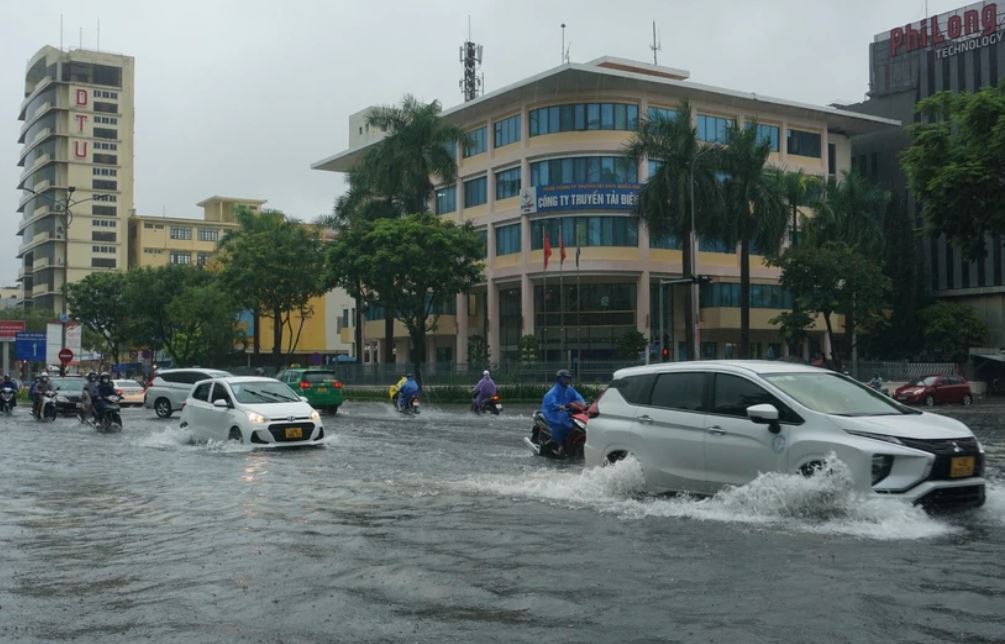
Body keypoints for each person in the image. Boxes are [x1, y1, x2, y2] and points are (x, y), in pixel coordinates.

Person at [541, 369, 585, 453]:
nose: (567, 380)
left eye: (568, 378)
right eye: (565, 378)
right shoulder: (553, 392)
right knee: (560, 423)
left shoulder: (570, 390)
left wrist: (584, 405)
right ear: (559, 379)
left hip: (567, 413)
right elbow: (551, 403)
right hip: (553, 414)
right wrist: (559, 406)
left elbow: (579, 399)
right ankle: (559, 445)